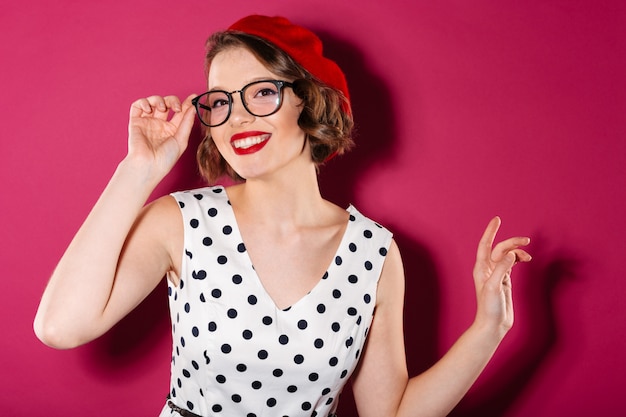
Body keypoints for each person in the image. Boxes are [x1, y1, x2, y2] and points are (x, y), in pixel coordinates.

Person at [34, 14, 531, 417]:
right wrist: (139, 169)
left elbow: (391, 416)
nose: (239, 117)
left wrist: (488, 329)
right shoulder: (180, 223)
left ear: (309, 102)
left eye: (263, 92)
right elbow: (60, 327)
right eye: (221, 101)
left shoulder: (375, 254)